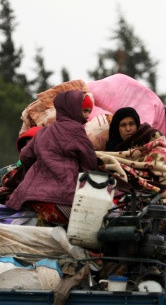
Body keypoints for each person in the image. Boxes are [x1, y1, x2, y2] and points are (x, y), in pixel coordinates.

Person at [5, 90, 98, 225]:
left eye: (89, 111)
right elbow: (90, 164)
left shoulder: (44, 131)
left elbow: (25, 156)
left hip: (29, 197)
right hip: (58, 200)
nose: (88, 116)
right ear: (73, 109)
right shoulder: (77, 131)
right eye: (84, 111)